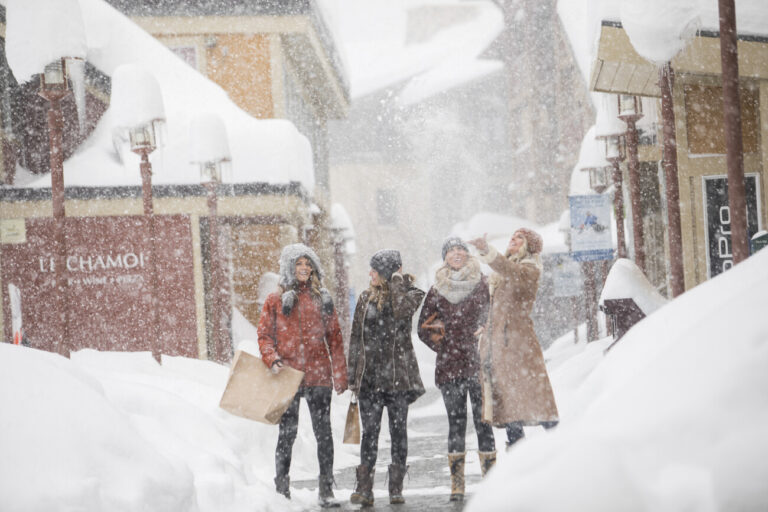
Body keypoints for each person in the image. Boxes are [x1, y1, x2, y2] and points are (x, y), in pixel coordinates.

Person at [257, 243, 348, 508]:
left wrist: (340, 374)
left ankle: (326, 490)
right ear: (289, 267)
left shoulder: (323, 298)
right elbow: (264, 335)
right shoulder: (275, 300)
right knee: (287, 434)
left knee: (324, 434)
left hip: (319, 377)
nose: (304, 269)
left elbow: (335, 338)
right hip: (289, 376)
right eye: (299, 264)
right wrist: (272, 359)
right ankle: (282, 489)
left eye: (308, 264)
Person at [417, 237, 495, 502]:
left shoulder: (482, 284)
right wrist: (444, 344)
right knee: (456, 424)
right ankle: (457, 485)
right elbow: (422, 329)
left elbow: (494, 312)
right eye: (452, 251)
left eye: (461, 249)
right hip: (450, 366)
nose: (457, 254)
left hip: (478, 363)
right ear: (445, 257)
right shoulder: (437, 290)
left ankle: (492, 481)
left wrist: (486, 327)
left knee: (484, 422)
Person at [347, 249, 425, 506]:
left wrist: (396, 281)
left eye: (376, 270)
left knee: (398, 432)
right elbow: (356, 339)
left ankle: (395, 489)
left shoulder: (411, 294)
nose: (370, 274)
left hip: (397, 379)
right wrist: (352, 375)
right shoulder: (365, 299)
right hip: (370, 380)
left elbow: (401, 311)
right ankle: (365, 488)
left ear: (388, 273)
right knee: (370, 432)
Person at [467, 229, 559, 450]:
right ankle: (517, 450)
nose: (513, 240)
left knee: (534, 395)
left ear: (529, 246)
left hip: (519, 344)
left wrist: (486, 250)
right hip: (499, 344)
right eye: (513, 236)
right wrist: (486, 331)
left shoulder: (529, 269)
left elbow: (510, 270)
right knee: (508, 401)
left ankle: (559, 443)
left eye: (520, 238)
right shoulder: (502, 275)